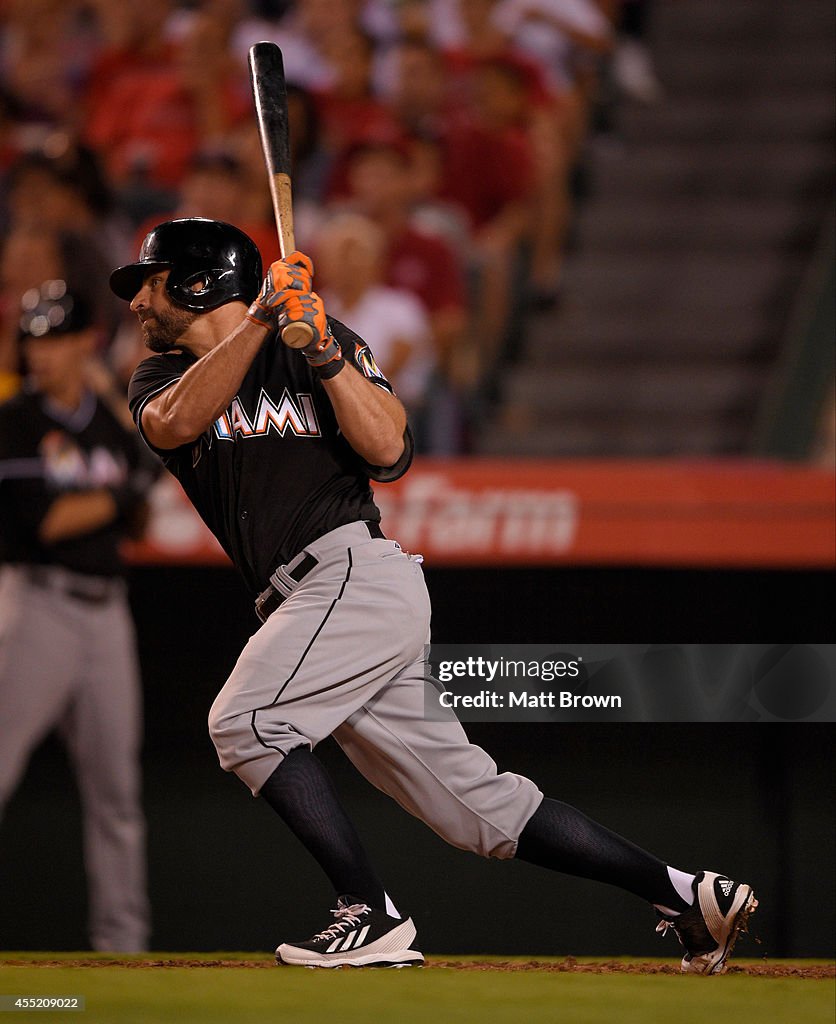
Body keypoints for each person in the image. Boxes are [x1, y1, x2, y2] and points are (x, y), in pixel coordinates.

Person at [113, 217, 757, 973]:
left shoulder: (320, 339)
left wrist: (321, 350)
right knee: (477, 811)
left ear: (196, 281)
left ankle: (368, 911)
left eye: (150, 283)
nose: (137, 303)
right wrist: (260, 318)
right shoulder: (161, 377)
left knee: (247, 722)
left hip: (352, 576)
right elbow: (173, 422)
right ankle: (686, 895)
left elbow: (388, 451)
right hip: (311, 603)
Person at [0, 281, 154, 951]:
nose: (41, 355)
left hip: (106, 616)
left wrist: (130, 482)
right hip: (37, 605)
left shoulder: (103, 421)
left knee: (117, 793)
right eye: (33, 341)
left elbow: (141, 522)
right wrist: (125, 491)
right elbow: (53, 521)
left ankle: (123, 945)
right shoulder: (14, 420)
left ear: (84, 342)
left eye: (54, 340)